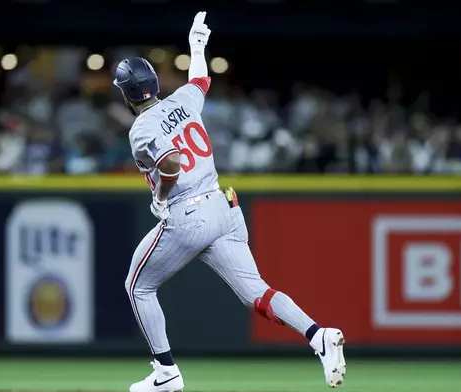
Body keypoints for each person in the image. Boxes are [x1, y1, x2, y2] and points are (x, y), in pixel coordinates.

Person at [114, 12, 347, 392]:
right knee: (257, 292)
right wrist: (197, 47)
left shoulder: (140, 128)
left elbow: (170, 163)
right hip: (224, 207)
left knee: (137, 286)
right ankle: (318, 335)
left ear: (125, 93)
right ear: (154, 84)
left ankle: (166, 371)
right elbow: (201, 79)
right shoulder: (184, 100)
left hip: (187, 211)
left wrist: (159, 196)